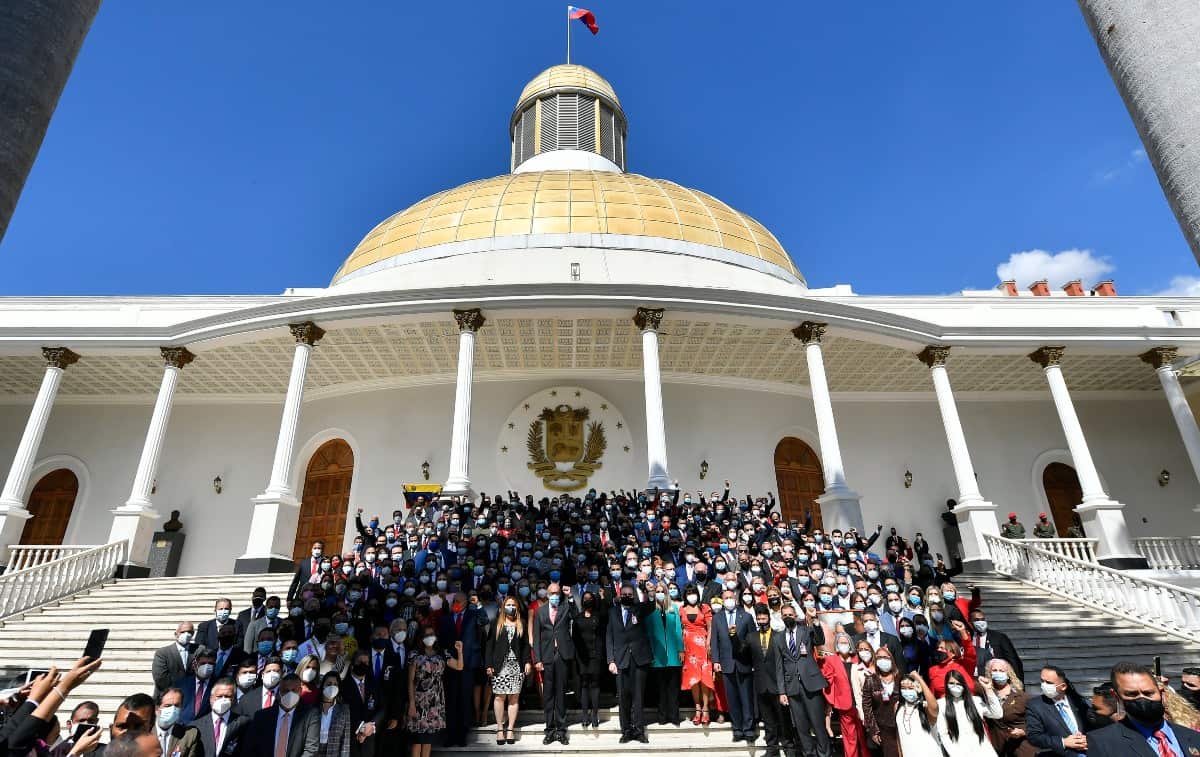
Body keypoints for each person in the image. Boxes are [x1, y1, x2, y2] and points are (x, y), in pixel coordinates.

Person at [1087, 662, 1200, 756]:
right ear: (1117, 697)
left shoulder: (1193, 737)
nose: (1142, 699)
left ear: (1162, 694)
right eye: (1132, 694)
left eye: (1148, 693)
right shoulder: (1103, 742)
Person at [774, 603, 831, 757]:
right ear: (781, 617)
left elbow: (819, 640)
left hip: (811, 684)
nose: (787, 617)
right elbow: (779, 667)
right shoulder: (778, 638)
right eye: (784, 615)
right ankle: (809, 754)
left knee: (818, 724)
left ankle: (824, 754)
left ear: (796, 616)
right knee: (801, 727)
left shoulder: (805, 631)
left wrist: (815, 621)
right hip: (792, 687)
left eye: (790, 615)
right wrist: (781, 691)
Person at [606, 582, 655, 744]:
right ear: (619, 595)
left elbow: (651, 606)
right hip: (621, 659)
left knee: (638, 697)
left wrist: (647, 591)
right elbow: (609, 637)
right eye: (624, 594)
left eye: (630, 594)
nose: (627, 596)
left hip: (639, 659)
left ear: (633, 595)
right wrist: (610, 660)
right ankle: (626, 730)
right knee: (623, 698)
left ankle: (639, 730)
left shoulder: (639, 609)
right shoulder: (612, 612)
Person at [405, 625, 465, 757]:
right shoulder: (414, 655)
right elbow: (410, 680)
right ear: (421, 638)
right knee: (417, 740)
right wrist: (411, 704)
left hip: (435, 702)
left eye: (431, 634)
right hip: (418, 701)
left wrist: (460, 651)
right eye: (426, 635)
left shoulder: (442, 653)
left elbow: (459, 666)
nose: (429, 637)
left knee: (428, 740)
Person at [437, 591, 485, 748]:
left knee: (464, 699)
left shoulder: (473, 615)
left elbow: (484, 620)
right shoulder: (445, 618)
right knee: (451, 700)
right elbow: (441, 641)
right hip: (450, 665)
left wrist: (477, 605)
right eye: (453, 601)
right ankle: (450, 735)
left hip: (468, 664)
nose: (455, 604)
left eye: (458, 601)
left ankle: (462, 734)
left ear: (465, 602)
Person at [711, 587, 756, 743]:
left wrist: (753, 661)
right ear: (723, 601)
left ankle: (749, 729)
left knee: (746, 697)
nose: (729, 600)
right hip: (726, 663)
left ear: (736, 599)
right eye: (726, 598)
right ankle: (737, 729)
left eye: (731, 597)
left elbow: (753, 640)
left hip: (744, 663)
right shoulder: (717, 618)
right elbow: (714, 641)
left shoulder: (747, 617)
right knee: (732, 699)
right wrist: (716, 661)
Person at [485, 594, 530, 745]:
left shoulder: (521, 623)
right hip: (500, 665)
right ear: (504, 607)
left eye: (514, 605)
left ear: (517, 608)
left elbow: (525, 647)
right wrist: (488, 664)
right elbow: (489, 646)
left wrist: (527, 662)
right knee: (499, 696)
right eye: (508, 604)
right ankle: (499, 728)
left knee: (514, 697)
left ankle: (510, 728)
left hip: (516, 666)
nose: (511, 607)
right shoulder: (495, 623)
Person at [240, 673, 318, 757]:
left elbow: (311, 750)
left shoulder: (310, 715)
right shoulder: (262, 716)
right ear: (279, 691)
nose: (290, 694)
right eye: (286, 691)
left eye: (294, 690)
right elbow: (250, 747)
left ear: (300, 691)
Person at [1025, 665, 1093, 757]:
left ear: (1063, 686)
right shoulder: (1035, 705)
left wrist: (1088, 740)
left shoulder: (1079, 702)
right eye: (1042, 681)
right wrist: (1063, 742)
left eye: (1048, 682)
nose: (1043, 685)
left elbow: (1094, 727)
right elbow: (1034, 736)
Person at [935, 669, 1003, 757]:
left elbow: (998, 714)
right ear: (946, 684)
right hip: (959, 750)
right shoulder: (941, 704)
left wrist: (988, 690)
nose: (955, 686)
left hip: (983, 749)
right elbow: (943, 734)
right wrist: (954, 753)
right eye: (951, 683)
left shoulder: (976, 701)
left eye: (959, 683)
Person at [748, 604, 787, 757]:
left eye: (764, 618)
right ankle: (772, 748)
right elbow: (741, 653)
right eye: (759, 619)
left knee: (783, 719)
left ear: (769, 619)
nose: (762, 621)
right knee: (768, 720)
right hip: (761, 685)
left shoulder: (778, 635)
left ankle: (788, 746)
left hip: (778, 685)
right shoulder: (752, 637)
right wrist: (734, 637)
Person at [646, 586, 684, 726]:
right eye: (658, 591)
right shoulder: (651, 611)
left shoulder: (673, 609)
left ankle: (674, 716)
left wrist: (681, 649)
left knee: (673, 687)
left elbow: (678, 630)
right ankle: (662, 716)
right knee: (661, 688)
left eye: (662, 591)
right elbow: (648, 634)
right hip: (658, 655)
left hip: (673, 654)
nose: (660, 594)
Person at [679, 583, 714, 725]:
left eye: (693, 593)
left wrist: (709, 643)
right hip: (688, 648)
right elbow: (679, 628)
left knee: (704, 678)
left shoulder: (704, 607)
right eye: (688, 593)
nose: (691, 596)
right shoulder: (681, 609)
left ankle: (706, 708)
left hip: (703, 645)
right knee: (693, 680)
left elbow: (710, 627)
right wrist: (681, 648)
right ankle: (697, 708)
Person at [571, 590, 606, 730]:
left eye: (590, 598)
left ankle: (595, 714)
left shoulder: (599, 616)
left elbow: (605, 615)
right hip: (582, 657)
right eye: (585, 598)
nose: (587, 600)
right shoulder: (578, 618)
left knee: (595, 685)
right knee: (584, 685)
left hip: (596, 655)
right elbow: (574, 638)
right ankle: (585, 715)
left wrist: (602, 598)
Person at [340, 650, 384, 757]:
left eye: (366, 662)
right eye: (360, 662)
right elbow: (343, 710)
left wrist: (371, 726)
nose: (363, 665)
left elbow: (382, 708)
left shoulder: (373, 685)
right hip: (350, 737)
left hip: (369, 738)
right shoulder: (343, 686)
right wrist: (361, 728)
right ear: (352, 665)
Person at [861, 644, 902, 757]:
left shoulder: (901, 678)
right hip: (882, 729)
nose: (882, 660)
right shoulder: (870, 680)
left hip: (899, 728)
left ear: (891, 660)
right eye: (879, 657)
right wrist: (873, 730)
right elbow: (867, 707)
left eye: (886, 657)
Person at [969, 608, 1024, 682]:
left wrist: (1019, 683)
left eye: (982, 619)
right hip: (974, 679)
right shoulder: (967, 638)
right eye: (977, 620)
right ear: (970, 622)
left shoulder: (999, 637)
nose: (981, 622)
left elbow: (1013, 660)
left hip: (995, 678)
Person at [195, 678, 244, 757]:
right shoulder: (196, 726)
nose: (223, 699)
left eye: (227, 696)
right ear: (211, 698)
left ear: (233, 699)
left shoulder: (243, 723)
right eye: (219, 696)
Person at [152, 623, 196, 701]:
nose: (186, 634)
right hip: (166, 698)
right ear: (176, 634)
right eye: (182, 632)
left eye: (189, 632)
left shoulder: (199, 650)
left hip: (191, 699)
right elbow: (160, 679)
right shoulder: (162, 653)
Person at [152, 689, 198, 757]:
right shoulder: (144, 732)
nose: (173, 710)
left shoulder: (189, 735)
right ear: (157, 709)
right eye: (168, 706)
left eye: (176, 706)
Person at [316, 671, 352, 757]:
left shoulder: (344, 710)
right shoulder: (313, 707)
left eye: (335, 684)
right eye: (329, 684)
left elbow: (345, 740)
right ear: (323, 685)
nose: (332, 686)